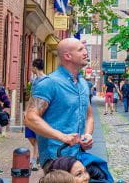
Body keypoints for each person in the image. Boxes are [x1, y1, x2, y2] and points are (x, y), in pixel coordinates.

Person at [24, 38, 95, 168]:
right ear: (67, 56)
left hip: (78, 155)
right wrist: (62, 137)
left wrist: (88, 135)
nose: (86, 52)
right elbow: (30, 118)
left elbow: (89, 115)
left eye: (84, 49)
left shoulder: (83, 84)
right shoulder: (49, 83)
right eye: (80, 49)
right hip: (56, 157)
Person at [26, 59, 47, 171]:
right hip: (32, 110)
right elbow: (31, 96)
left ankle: (34, 160)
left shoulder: (47, 80)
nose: (31, 68)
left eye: (32, 66)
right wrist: (27, 110)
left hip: (41, 112)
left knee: (37, 137)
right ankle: (38, 155)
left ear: (35, 67)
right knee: (30, 135)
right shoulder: (34, 80)